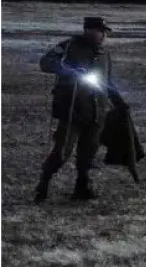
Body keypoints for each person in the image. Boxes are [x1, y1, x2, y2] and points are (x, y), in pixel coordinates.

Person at [35, 16, 127, 203]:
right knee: (62, 152)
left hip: (97, 111)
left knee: (89, 152)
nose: (103, 36)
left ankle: (82, 187)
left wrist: (119, 101)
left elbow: (107, 81)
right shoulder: (69, 46)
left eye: (104, 32)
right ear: (88, 30)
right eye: (100, 31)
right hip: (73, 110)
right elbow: (46, 62)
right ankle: (43, 184)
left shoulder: (104, 54)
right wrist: (70, 71)